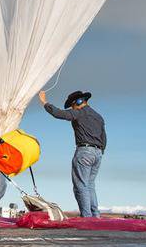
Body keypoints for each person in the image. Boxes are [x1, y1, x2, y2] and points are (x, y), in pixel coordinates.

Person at [38, 89, 106, 218]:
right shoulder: (98, 116)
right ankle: (95, 216)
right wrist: (101, 151)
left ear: (78, 102)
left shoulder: (79, 113)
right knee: (90, 185)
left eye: (72, 105)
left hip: (84, 152)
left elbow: (59, 114)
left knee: (81, 185)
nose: (72, 108)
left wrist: (44, 102)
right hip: (98, 153)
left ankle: (87, 217)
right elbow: (104, 137)